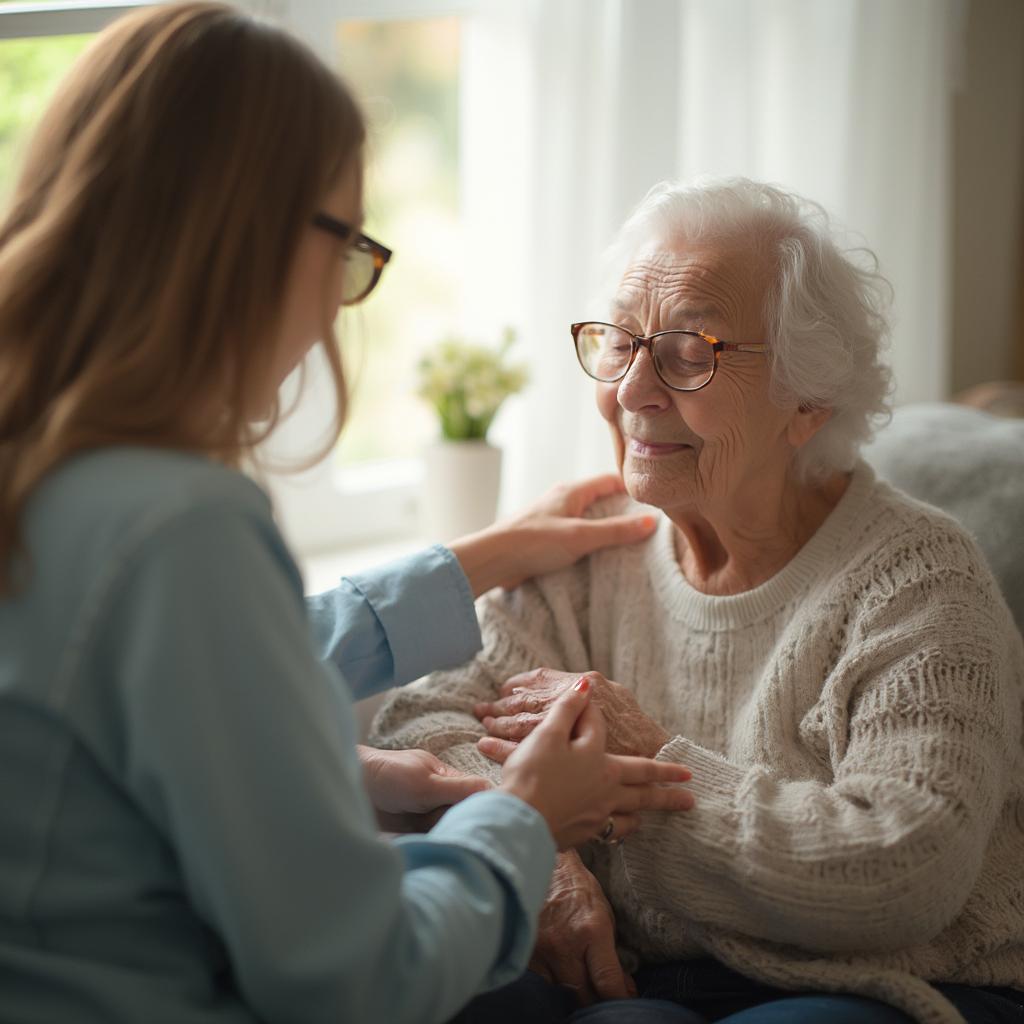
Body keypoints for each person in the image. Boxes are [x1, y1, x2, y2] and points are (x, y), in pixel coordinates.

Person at [0, 6, 698, 1023]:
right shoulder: (181, 528)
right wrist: (523, 818)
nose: (337, 302)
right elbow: (353, 977)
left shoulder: (52, 467)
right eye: (347, 251)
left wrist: (476, 563)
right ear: (245, 238)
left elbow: (145, 706)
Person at [369, 179, 1024, 1024]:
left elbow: (902, 871)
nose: (632, 390)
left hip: (884, 981)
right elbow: (422, 723)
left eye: (686, 352)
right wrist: (536, 855)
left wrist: (642, 764)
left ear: (807, 399)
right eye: (619, 343)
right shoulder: (592, 542)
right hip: (646, 972)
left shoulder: (919, 576)